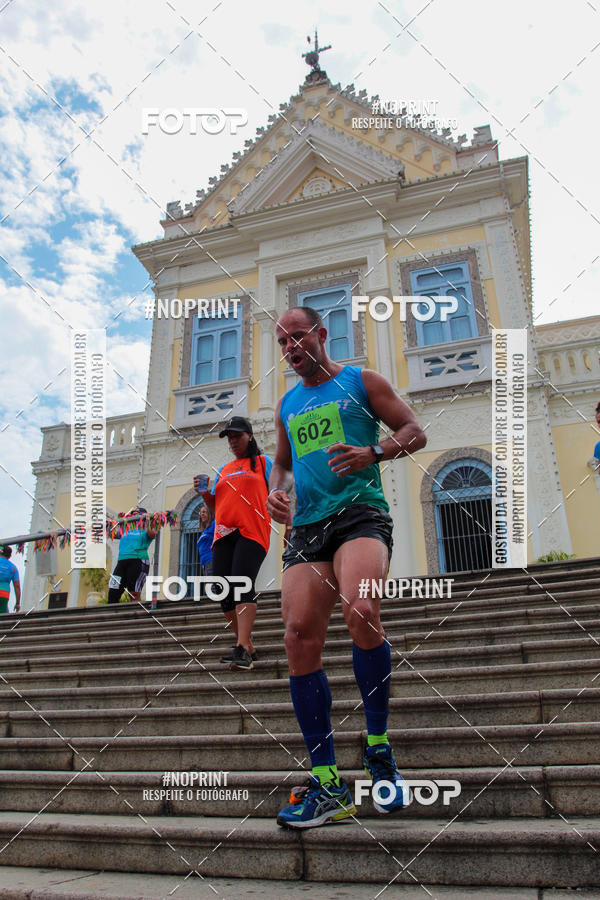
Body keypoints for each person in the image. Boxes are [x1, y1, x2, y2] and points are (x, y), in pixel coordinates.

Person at [267, 306, 427, 829]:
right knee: (296, 636)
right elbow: (285, 466)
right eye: (282, 342)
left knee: (361, 609)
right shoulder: (287, 404)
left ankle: (379, 749)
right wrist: (279, 494)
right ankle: (328, 782)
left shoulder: (362, 380)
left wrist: (372, 451)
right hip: (308, 528)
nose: (291, 347)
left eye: (297, 336)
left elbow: (413, 429)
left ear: (320, 334)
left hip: (360, 513)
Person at [196, 416, 273, 671]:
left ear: (249, 436)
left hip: (251, 532)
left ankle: (241, 649)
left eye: (237, 435)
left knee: (241, 586)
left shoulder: (263, 463)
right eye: (229, 437)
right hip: (223, 534)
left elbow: (281, 491)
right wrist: (206, 493)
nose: (232, 441)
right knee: (222, 593)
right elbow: (216, 506)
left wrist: (292, 525)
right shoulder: (225, 469)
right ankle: (247, 644)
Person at [107, 508, 157, 604]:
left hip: (138, 561)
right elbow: (112, 534)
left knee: (133, 593)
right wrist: (116, 522)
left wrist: (147, 523)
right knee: (113, 591)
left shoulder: (147, 529)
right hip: (121, 562)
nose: (133, 516)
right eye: (132, 514)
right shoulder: (126, 529)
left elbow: (152, 535)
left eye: (136, 514)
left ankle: (136, 615)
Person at [0, 545, 20, 614]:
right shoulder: (13, 567)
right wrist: (17, 603)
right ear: (10, 556)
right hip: (4, 594)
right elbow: (17, 586)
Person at [196, 503, 215, 577]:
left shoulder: (214, 524)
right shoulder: (205, 531)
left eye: (204, 512)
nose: (202, 514)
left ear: (209, 513)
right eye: (201, 512)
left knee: (211, 587)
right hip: (205, 563)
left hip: (211, 560)